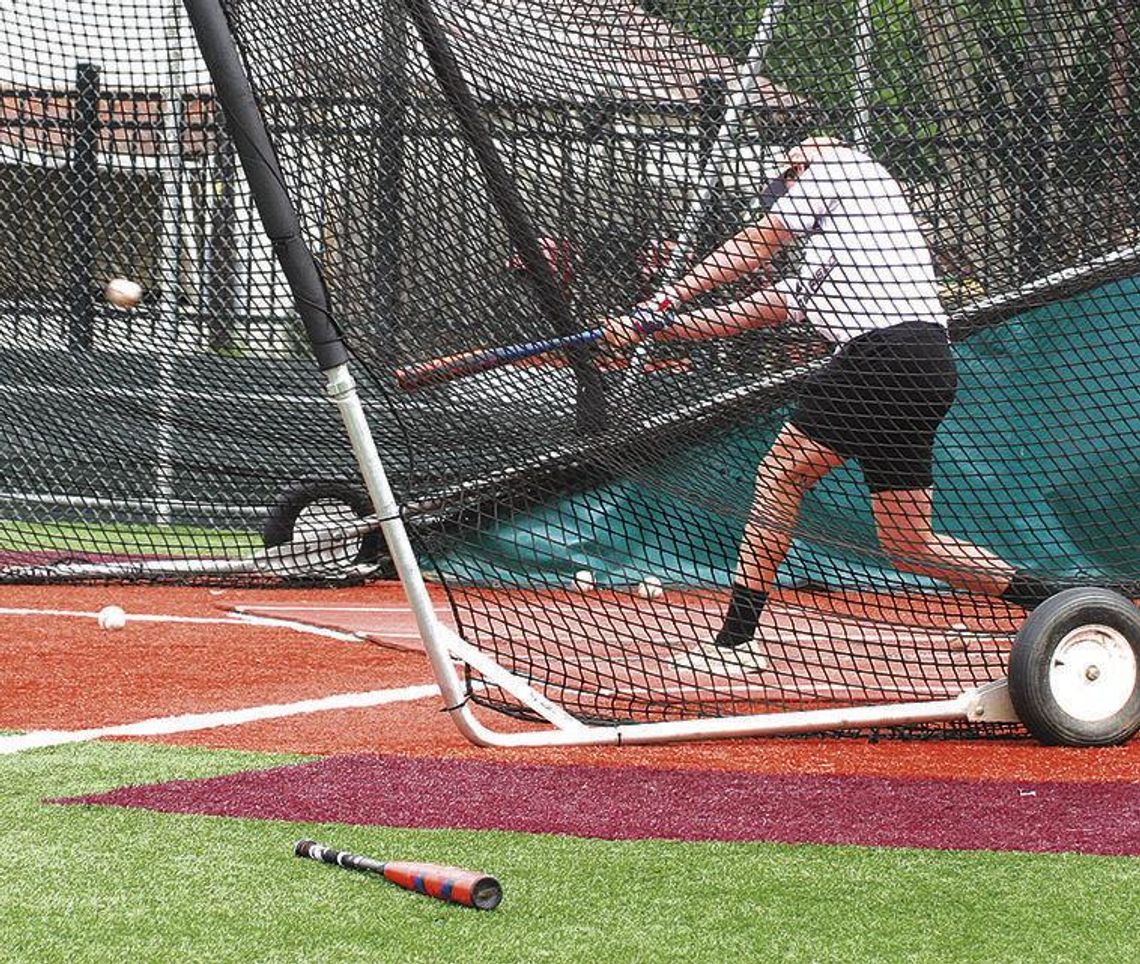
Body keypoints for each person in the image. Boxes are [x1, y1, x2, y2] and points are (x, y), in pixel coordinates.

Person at [604, 135, 1076, 674]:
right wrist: (654, 329)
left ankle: (736, 643)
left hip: (884, 354)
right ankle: (1064, 604)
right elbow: (755, 310)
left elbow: (758, 242)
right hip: (922, 366)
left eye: (786, 182)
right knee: (908, 543)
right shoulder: (842, 248)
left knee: (781, 473)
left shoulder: (837, 167)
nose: (783, 194)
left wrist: (667, 297)